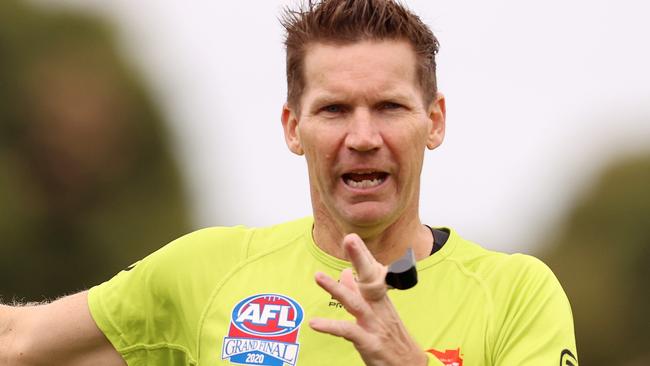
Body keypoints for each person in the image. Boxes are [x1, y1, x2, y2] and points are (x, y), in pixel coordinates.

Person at [0, 0, 578, 365]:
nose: (362, 136)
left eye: (389, 106)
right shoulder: (206, 271)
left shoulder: (516, 296)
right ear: (293, 127)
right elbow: (18, 342)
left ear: (435, 121)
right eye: (333, 110)